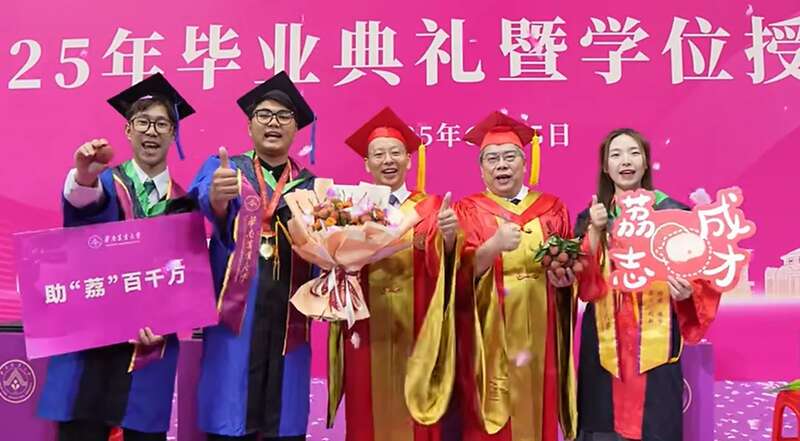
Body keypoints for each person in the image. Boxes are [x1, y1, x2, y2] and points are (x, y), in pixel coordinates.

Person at [37, 73, 197, 441]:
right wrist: (83, 176)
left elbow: (186, 279)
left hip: (148, 353)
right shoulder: (105, 184)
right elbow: (85, 209)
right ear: (128, 130)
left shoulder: (185, 204)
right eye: (142, 122)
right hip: (90, 353)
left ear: (173, 133)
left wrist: (169, 318)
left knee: (142, 429)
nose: (151, 131)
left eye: (161, 124)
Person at [452, 111, 603, 441]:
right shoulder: (468, 209)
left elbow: (569, 267)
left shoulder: (551, 207)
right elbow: (457, 275)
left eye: (510, 157)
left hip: (541, 328)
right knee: (489, 406)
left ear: (525, 163)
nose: (502, 166)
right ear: (481, 169)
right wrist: (493, 246)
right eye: (492, 159)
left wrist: (566, 278)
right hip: (489, 330)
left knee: (538, 402)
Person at [189, 71, 318, 441]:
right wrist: (217, 196)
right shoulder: (226, 169)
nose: (273, 123)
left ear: (296, 129)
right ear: (249, 126)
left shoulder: (311, 186)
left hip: (288, 319)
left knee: (284, 418)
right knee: (231, 414)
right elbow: (206, 203)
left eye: (283, 116)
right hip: (236, 318)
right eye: (264, 115)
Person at [574, 128, 721, 441]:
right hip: (604, 342)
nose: (625, 161)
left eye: (634, 153)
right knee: (603, 424)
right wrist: (595, 233)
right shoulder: (592, 218)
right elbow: (583, 285)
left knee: (656, 425)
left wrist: (687, 293)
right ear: (605, 167)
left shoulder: (675, 214)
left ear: (645, 163)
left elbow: (701, 276)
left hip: (655, 337)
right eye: (616, 155)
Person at [326, 106, 458, 441]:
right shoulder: (349, 207)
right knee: (365, 405)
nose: (388, 160)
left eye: (396, 153)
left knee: (418, 406)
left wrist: (449, 238)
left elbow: (446, 266)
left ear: (409, 160)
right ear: (366, 163)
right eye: (379, 154)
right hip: (365, 325)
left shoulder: (431, 207)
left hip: (418, 324)